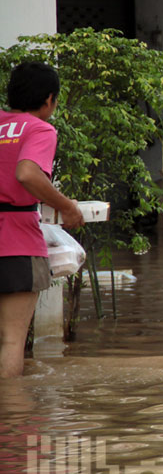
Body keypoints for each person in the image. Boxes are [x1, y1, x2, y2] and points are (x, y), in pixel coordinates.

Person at [1, 62, 84, 378]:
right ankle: (14, 420)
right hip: (15, 241)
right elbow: (26, 173)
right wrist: (67, 207)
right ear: (50, 99)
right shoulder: (39, 129)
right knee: (11, 341)